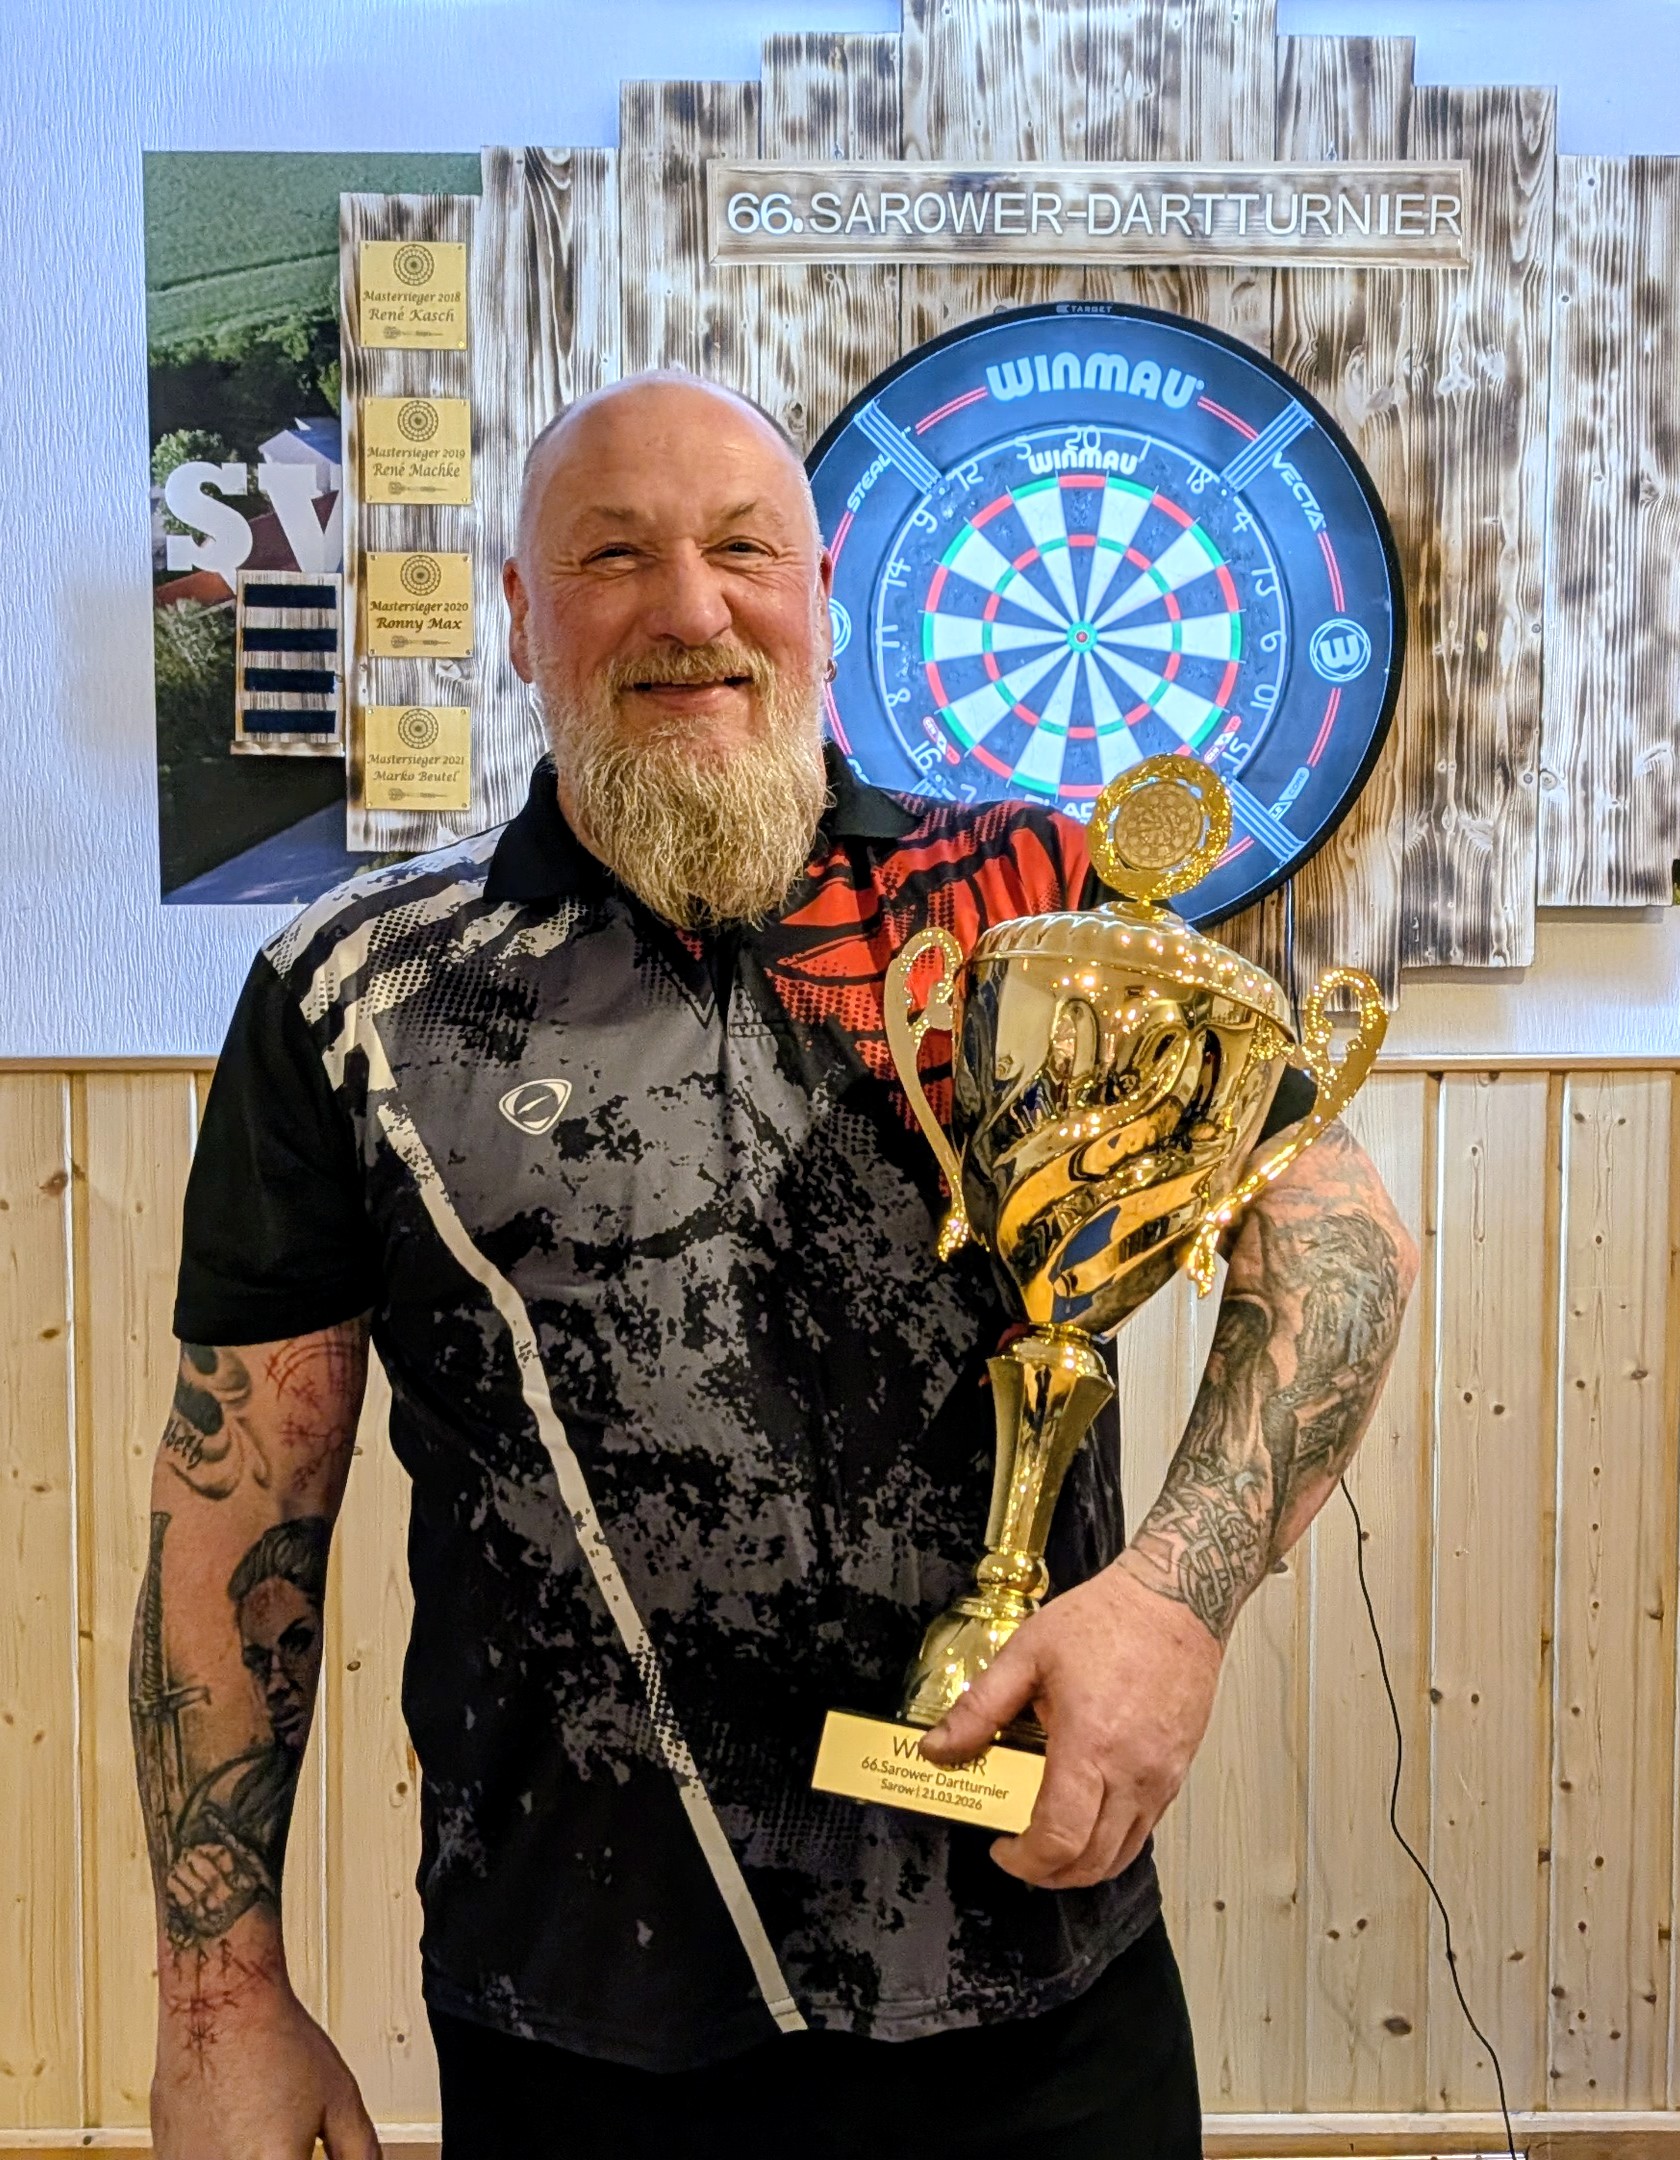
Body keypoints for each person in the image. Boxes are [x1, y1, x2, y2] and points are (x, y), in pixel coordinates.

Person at [136, 372, 1418, 2160]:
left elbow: (1343, 1243)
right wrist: (222, 2005)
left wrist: (1173, 1600)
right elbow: (237, 1516)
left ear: (818, 589)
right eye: (612, 556)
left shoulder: (1036, 898)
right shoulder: (355, 991)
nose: (689, 609)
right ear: (521, 615)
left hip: (1038, 1983)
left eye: (743, 550)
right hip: (576, 2010)